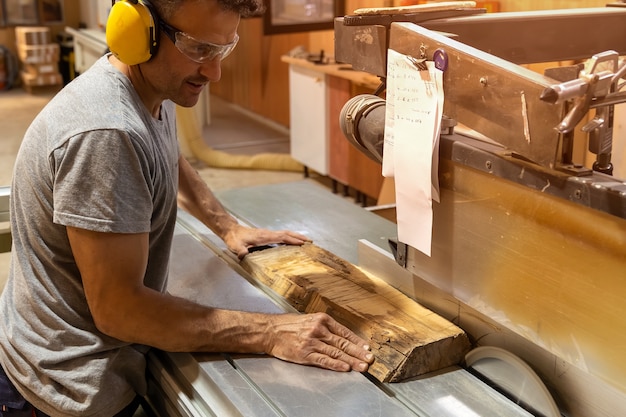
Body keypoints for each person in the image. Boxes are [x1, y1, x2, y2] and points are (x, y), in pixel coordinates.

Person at [0, 0, 374, 415]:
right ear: (139, 32)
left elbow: (166, 155)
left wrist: (226, 225)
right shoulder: (106, 134)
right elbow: (121, 311)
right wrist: (271, 332)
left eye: (223, 49)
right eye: (199, 50)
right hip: (57, 389)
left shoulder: (147, 93)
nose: (213, 72)